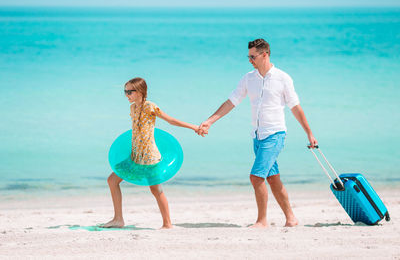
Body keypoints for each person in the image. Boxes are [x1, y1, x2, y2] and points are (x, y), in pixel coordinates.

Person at [197, 38, 318, 228]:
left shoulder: (283, 78)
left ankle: (262, 221)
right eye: (248, 57)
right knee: (272, 178)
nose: (250, 60)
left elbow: (296, 107)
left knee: (256, 177)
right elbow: (231, 102)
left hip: (275, 134)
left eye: (252, 56)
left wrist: (309, 133)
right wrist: (210, 121)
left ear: (265, 54)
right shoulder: (248, 78)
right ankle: (291, 218)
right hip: (257, 136)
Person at [102, 77, 198, 229]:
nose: (127, 95)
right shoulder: (133, 108)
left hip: (149, 157)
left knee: (156, 189)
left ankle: (167, 224)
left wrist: (194, 127)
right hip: (135, 156)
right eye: (125, 91)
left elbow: (170, 120)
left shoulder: (150, 106)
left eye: (129, 92)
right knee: (112, 180)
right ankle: (118, 219)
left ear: (140, 92)